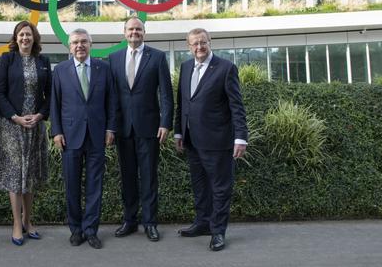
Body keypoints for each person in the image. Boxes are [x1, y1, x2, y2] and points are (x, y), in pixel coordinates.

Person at [173, 27, 248, 252]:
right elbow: (182, 103)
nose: (199, 47)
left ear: (210, 42)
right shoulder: (185, 67)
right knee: (200, 187)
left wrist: (241, 138)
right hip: (192, 141)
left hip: (218, 141)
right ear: (189, 46)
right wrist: (178, 132)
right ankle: (202, 223)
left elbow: (237, 107)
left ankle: (218, 232)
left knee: (220, 188)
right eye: (194, 44)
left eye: (203, 42)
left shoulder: (226, 68)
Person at [50, 28, 117, 249]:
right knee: (71, 185)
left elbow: (111, 102)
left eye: (84, 42)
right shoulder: (60, 70)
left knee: (94, 186)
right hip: (69, 136)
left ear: (91, 44)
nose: (80, 46)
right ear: (69, 47)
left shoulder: (103, 68)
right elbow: (55, 104)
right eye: (75, 42)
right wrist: (57, 132)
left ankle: (91, 230)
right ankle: (76, 230)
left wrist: (110, 129)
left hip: (97, 135)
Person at [108, 16, 173, 242]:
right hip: (123, 130)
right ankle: (129, 220)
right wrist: (111, 127)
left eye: (138, 29)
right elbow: (112, 97)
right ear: (124, 32)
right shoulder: (113, 58)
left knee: (148, 177)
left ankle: (150, 222)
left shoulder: (157, 57)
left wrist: (166, 123)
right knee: (127, 178)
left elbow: (166, 93)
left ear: (144, 32)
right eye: (130, 29)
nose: (134, 32)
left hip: (149, 128)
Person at [0, 21, 51, 246]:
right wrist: (14, 116)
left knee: (30, 175)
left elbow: (50, 95)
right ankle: (16, 223)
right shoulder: (7, 60)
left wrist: (40, 115)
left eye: (29, 34)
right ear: (15, 38)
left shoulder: (43, 62)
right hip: (11, 125)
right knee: (16, 176)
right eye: (21, 34)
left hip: (34, 126)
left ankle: (28, 220)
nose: (25, 38)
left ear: (34, 38)